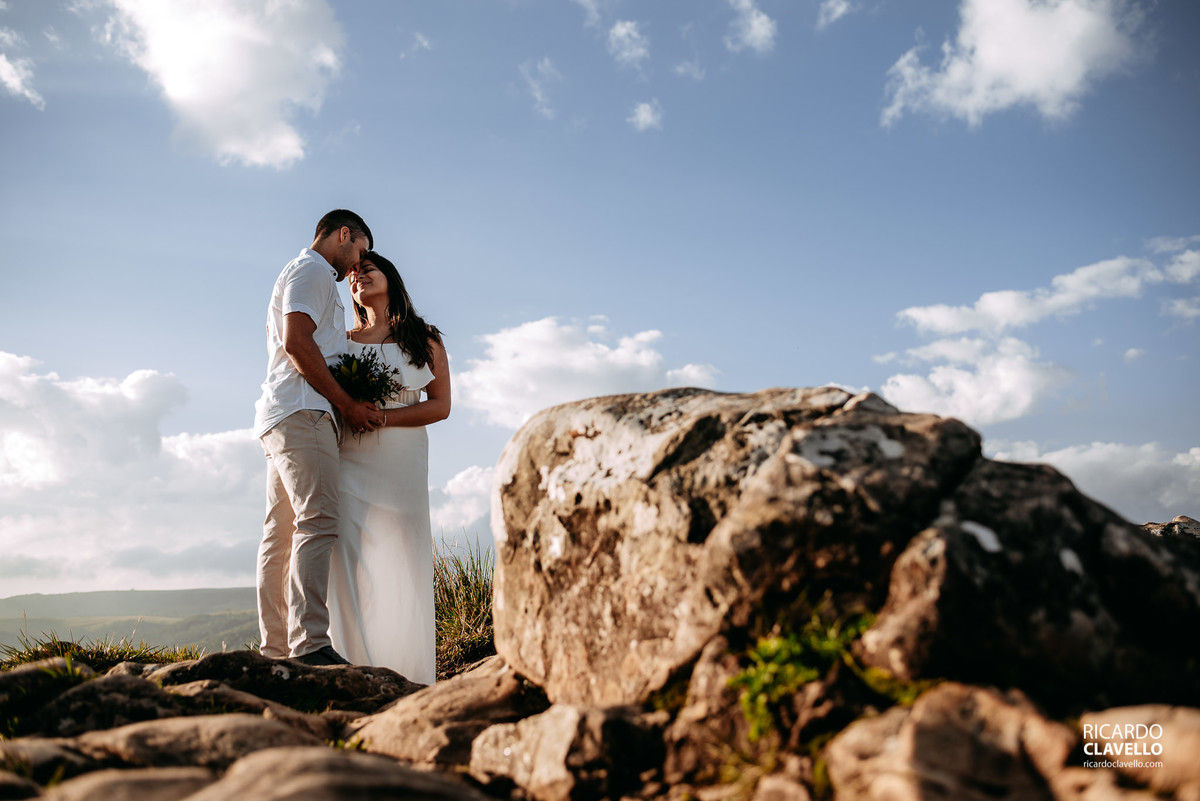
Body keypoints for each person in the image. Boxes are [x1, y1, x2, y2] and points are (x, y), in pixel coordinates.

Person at [253, 209, 384, 667]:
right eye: (361, 251)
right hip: (303, 412)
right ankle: (309, 645)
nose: (358, 263)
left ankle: (274, 651)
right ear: (344, 235)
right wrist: (346, 404)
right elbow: (298, 342)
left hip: (280, 412)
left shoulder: (302, 271)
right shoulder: (312, 270)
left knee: (281, 535)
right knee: (319, 520)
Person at [327, 251, 450, 684]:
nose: (357, 277)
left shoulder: (424, 338)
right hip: (349, 454)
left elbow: (441, 406)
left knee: (403, 548)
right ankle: (350, 663)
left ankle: (410, 671)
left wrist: (383, 418)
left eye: (368, 270)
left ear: (391, 279)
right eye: (353, 275)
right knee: (345, 551)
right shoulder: (339, 341)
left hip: (402, 454)